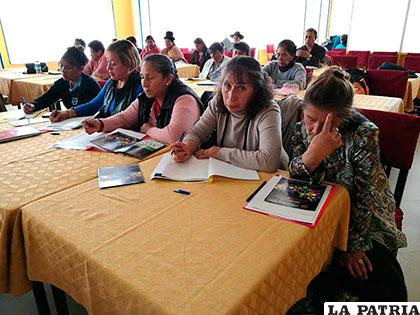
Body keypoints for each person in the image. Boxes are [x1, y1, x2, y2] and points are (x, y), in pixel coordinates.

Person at [289, 67, 407, 313]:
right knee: (298, 267)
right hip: (319, 210)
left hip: (362, 217)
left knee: (386, 286)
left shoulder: (364, 133)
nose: (316, 130)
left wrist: (351, 247)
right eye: (311, 119)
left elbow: (365, 196)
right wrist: (313, 155)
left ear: (345, 116)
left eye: (328, 122)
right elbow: (295, 180)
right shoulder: (302, 128)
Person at [171, 56, 289, 172]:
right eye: (227, 85)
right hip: (232, 169)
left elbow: (268, 161)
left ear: (256, 90)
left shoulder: (268, 110)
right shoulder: (218, 102)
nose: (231, 97)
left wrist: (219, 152)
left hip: (272, 176)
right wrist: (187, 146)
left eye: (241, 88)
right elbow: (198, 132)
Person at [83, 54, 203, 145]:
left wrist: (148, 130)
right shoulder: (147, 97)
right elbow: (125, 118)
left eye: (150, 78)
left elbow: (175, 137)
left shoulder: (184, 99)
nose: (144, 83)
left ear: (168, 79)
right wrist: (100, 124)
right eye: (142, 77)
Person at [50, 40, 142, 122]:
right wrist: (67, 113)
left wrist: (102, 124)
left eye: (113, 63)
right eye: (108, 62)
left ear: (128, 64)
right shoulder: (111, 83)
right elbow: (94, 105)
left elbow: (128, 119)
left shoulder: (140, 86)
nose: (108, 67)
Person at [23, 46, 100, 114]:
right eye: (61, 65)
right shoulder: (61, 83)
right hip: (70, 122)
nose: (63, 70)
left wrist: (68, 114)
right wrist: (33, 105)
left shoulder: (90, 85)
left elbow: (94, 108)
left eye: (68, 67)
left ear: (80, 69)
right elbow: (46, 98)